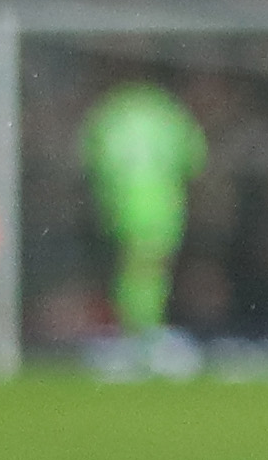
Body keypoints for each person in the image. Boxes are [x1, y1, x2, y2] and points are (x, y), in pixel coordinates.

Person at [79, 82, 207, 338]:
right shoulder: (169, 112)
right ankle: (141, 334)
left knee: (133, 269)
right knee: (148, 272)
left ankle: (136, 331)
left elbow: (89, 158)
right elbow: (195, 160)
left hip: (119, 205)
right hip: (162, 207)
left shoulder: (110, 112)